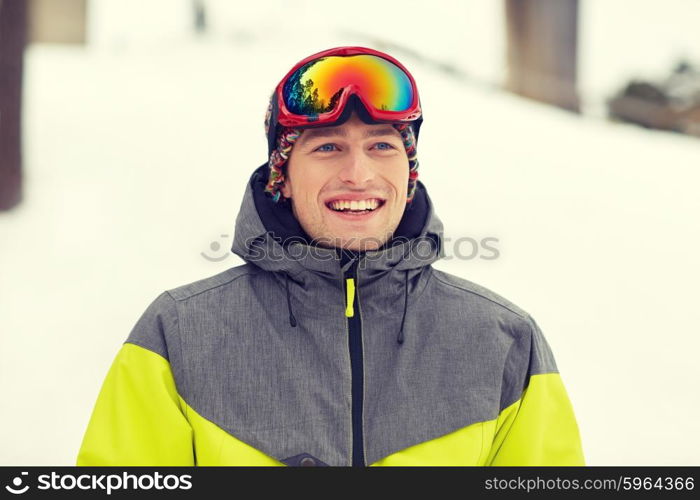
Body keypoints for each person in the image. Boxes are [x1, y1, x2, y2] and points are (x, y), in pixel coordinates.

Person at [77, 46, 585, 466]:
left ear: (408, 174)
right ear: (284, 176)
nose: (358, 175)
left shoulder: (502, 340)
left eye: (382, 147)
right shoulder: (179, 334)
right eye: (326, 148)